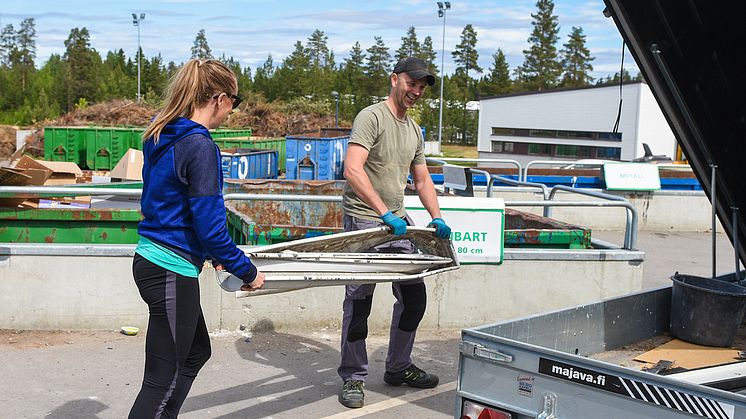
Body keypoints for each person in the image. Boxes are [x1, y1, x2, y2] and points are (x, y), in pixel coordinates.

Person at [130, 58, 265, 418]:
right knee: (162, 379)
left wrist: (213, 253)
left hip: (154, 261)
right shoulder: (200, 145)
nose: (232, 113)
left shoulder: (162, 134)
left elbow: (179, 209)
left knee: (194, 354)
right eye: (234, 103)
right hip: (169, 269)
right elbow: (209, 225)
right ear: (219, 99)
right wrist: (246, 270)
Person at [337, 56, 452, 409]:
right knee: (360, 301)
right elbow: (352, 169)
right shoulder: (371, 117)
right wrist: (383, 212)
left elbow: (422, 179)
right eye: (411, 83)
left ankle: (398, 367)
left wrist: (436, 217)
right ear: (394, 80)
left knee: (414, 297)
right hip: (364, 222)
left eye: (421, 87)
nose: (416, 91)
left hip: (399, 223)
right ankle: (353, 377)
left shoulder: (413, 130)